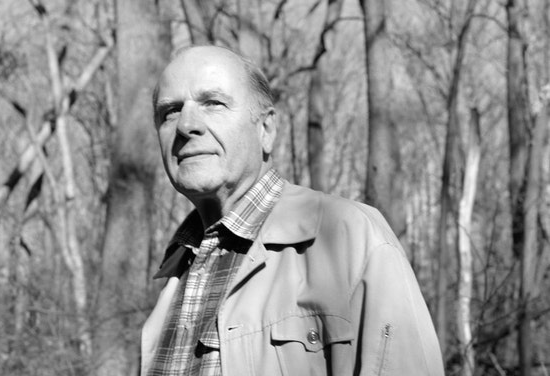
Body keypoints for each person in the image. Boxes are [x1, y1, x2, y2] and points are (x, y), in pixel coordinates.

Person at [141, 45, 444, 376]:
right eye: (169, 111)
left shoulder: (348, 236)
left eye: (212, 103)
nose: (185, 125)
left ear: (266, 130)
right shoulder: (177, 269)